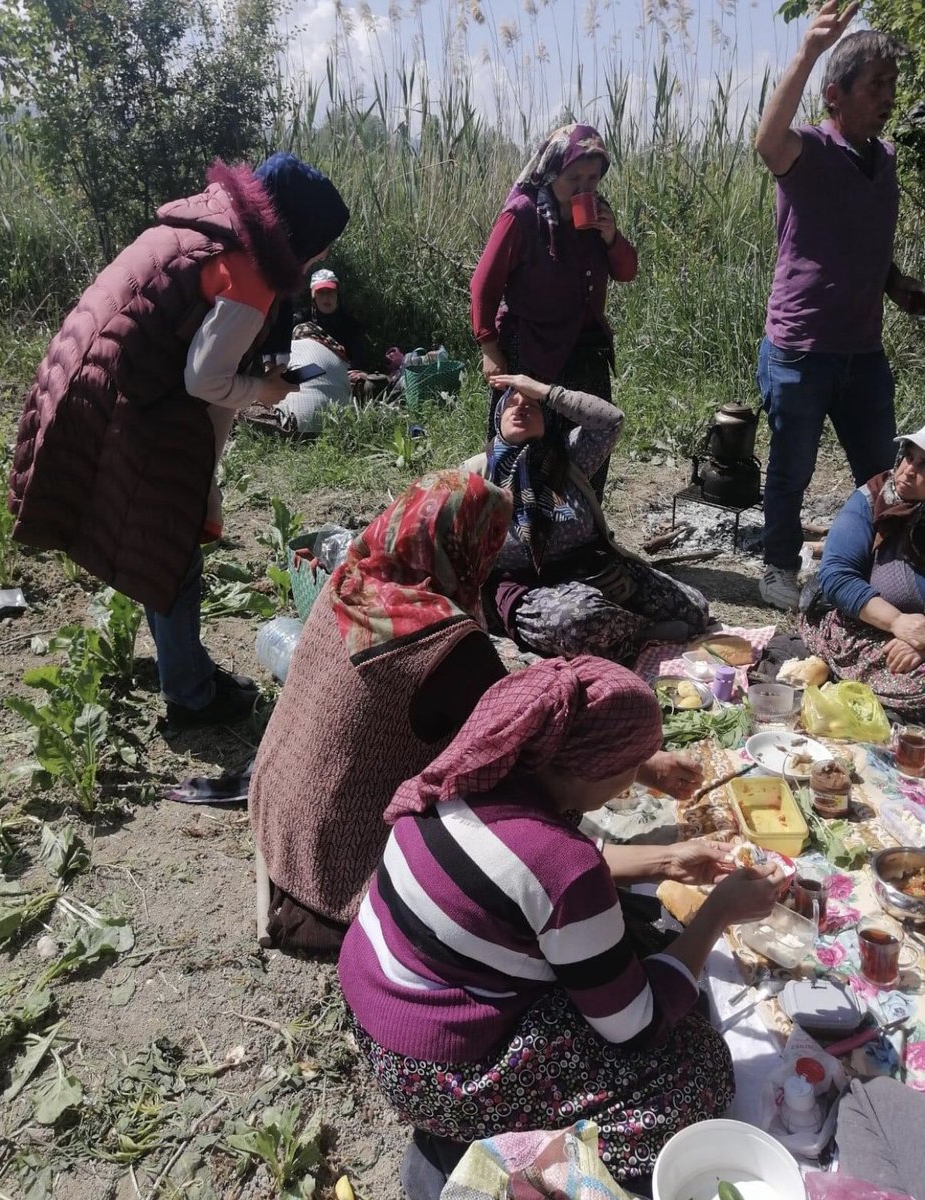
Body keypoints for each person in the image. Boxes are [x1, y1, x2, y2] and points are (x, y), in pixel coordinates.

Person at [339, 655, 784, 1187]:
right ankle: (509, 1149)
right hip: (435, 1073)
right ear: (592, 767)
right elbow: (633, 1026)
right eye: (634, 766)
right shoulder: (563, 867)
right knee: (699, 1064)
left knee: (635, 950)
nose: (632, 783)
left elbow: (535, 871)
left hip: (381, 1015)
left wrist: (667, 860)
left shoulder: (475, 778)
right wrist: (718, 912)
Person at [249, 470, 707, 954]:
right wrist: (633, 766)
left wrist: (645, 766)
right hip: (336, 854)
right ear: (468, 547)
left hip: (278, 808)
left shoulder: (349, 578)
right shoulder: (446, 646)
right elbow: (531, 734)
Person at [8, 151, 349, 731]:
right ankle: (191, 695)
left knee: (158, 537)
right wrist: (263, 390)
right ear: (298, 236)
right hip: (129, 388)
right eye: (319, 244)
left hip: (89, 367)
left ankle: (182, 667)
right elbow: (204, 379)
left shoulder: (208, 220)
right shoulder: (251, 269)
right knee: (170, 541)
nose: (320, 257)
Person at [754, 0, 923, 612]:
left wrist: (900, 287)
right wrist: (809, 50)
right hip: (800, 348)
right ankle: (777, 566)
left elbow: (869, 248)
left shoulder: (886, 162)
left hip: (863, 349)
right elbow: (766, 141)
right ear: (834, 96)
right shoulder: (809, 152)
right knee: (791, 468)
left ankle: (881, 568)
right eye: (876, 85)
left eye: (892, 86)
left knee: (882, 470)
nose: (888, 96)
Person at [465, 373, 709, 665]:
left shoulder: (568, 456)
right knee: (578, 621)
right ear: (497, 418)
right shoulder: (476, 475)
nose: (521, 406)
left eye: (532, 404)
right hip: (528, 587)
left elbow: (611, 420)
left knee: (695, 610)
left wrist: (546, 391)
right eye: (511, 402)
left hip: (594, 570)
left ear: (548, 419)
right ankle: (641, 631)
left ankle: (614, 621)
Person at [469, 122, 637, 501]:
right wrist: (489, 348)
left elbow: (626, 271)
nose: (584, 188)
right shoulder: (523, 216)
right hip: (531, 347)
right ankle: (513, 530)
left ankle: (580, 529)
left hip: (584, 346)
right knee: (523, 447)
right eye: (573, 177)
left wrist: (611, 237)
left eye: (593, 178)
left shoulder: (597, 215)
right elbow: (483, 284)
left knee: (587, 444)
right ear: (551, 170)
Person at [800, 427, 925, 719]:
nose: (908, 471)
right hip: (856, 621)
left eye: (924, 465)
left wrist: (921, 642)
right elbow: (837, 577)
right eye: (908, 457)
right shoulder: (871, 500)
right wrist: (899, 623)